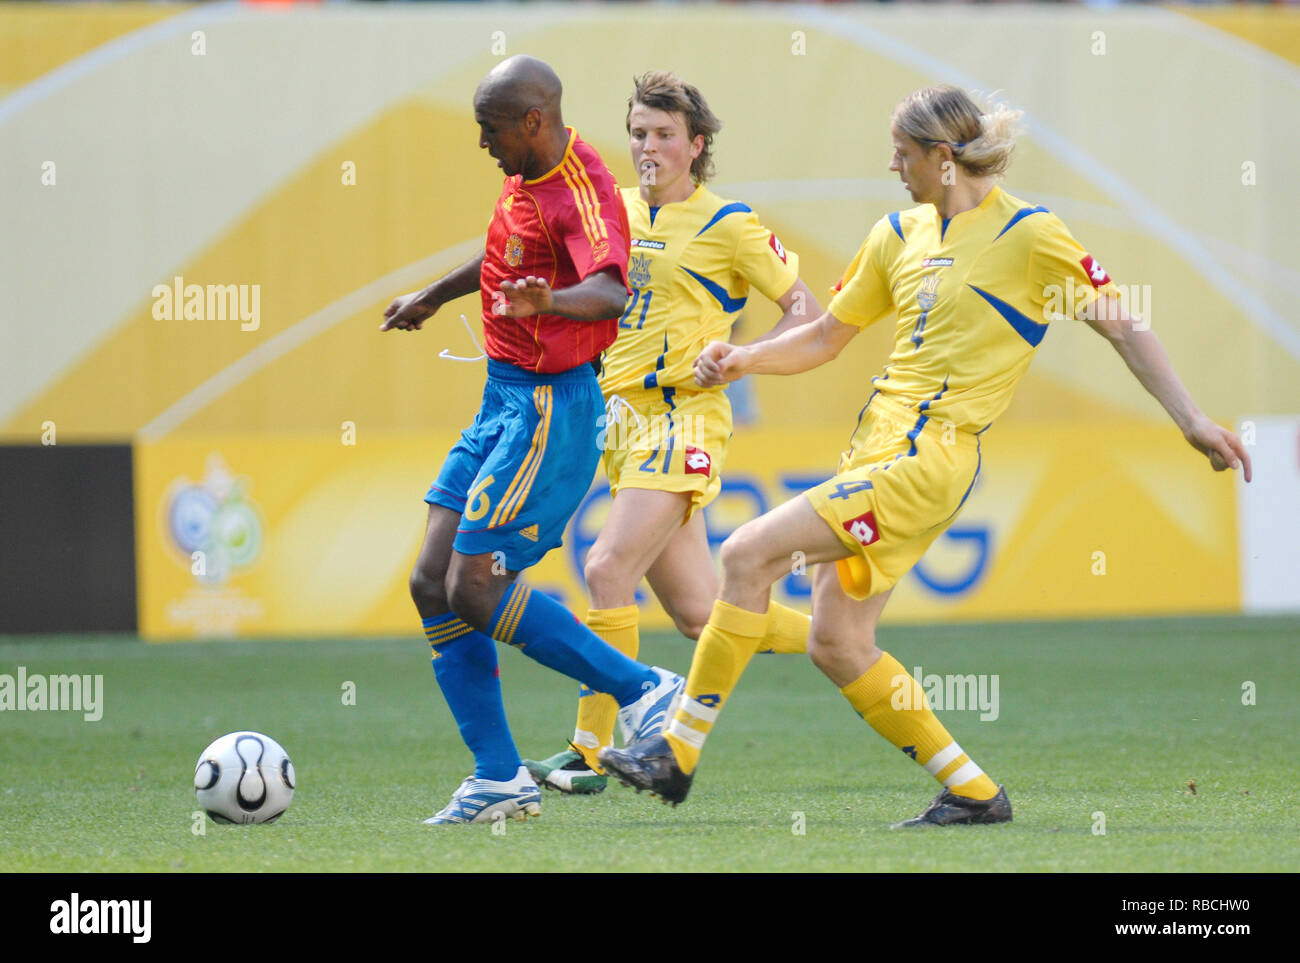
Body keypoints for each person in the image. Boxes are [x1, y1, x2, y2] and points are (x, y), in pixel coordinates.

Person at [600, 85, 1253, 826]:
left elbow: (1123, 325)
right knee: (838, 642)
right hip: (874, 444)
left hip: (929, 458)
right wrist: (745, 359)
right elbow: (822, 337)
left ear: (944, 160)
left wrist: (1192, 418)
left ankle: (676, 751)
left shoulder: (1032, 236)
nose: (891, 165)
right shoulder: (897, 233)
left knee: (747, 553)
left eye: (903, 154)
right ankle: (974, 791)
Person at [380, 55, 684, 825]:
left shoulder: (583, 190)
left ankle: (643, 688)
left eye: (490, 131)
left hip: (552, 410)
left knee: (473, 583)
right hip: (502, 399)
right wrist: (432, 295)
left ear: (531, 122)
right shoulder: (526, 172)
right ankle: (496, 778)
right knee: (430, 579)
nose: (483, 145)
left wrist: (551, 299)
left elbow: (612, 289)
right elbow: (502, 259)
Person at [522, 72, 821, 795]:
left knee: (605, 569)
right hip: (619, 422)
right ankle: (842, 641)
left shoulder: (730, 225)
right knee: (698, 615)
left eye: (662, 134)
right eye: (637, 132)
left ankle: (589, 752)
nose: (647, 146)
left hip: (684, 416)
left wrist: (741, 358)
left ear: (696, 144)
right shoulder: (611, 212)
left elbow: (805, 313)